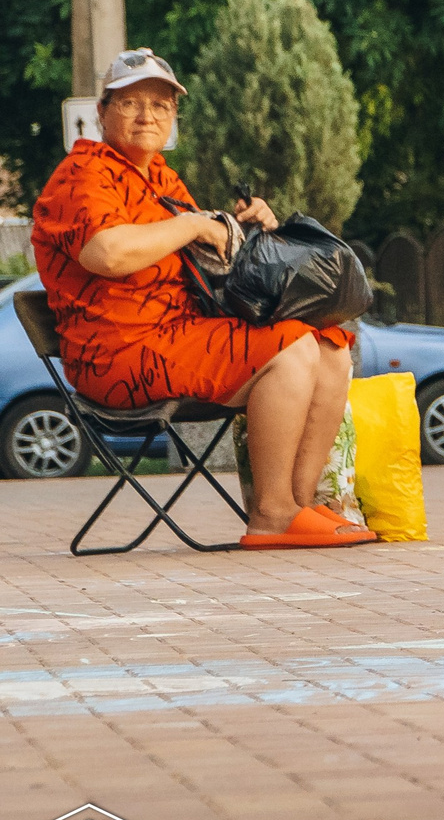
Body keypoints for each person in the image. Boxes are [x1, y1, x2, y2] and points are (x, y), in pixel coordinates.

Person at [30, 48, 372, 550]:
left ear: (173, 118)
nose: (148, 115)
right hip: (120, 352)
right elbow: (107, 253)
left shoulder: (161, 178)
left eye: (161, 105)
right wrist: (193, 223)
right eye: (130, 103)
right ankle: (271, 513)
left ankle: (300, 505)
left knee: (333, 343)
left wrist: (250, 230)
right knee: (291, 348)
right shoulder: (85, 174)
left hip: (178, 335)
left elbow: (205, 260)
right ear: (101, 112)